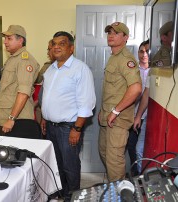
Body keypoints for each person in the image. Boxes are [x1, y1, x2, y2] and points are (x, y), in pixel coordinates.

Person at [41, 31, 96, 201]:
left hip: (68, 128)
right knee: (56, 164)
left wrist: (77, 129)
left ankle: (72, 197)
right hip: (50, 126)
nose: (56, 46)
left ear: (71, 48)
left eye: (62, 43)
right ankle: (62, 194)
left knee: (70, 166)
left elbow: (87, 103)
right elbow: (49, 97)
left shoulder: (80, 69)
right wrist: (44, 117)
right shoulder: (50, 69)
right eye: (54, 43)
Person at [98, 22, 142, 182]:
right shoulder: (113, 57)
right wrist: (103, 112)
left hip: (118, 119)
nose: (111, 35)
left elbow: (136, 89)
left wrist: (115, 111)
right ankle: (115, 185)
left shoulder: (126, 59)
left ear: (125, 37)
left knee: (114, 160)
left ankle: (118, 194)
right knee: (103, 152)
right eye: (109, 32)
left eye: (116, 33)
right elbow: (113, 91)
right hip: (107, 117)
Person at [0, 25, 40, 135]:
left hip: (17, 121)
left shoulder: (24, 60)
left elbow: (24, 93)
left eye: (9, 38)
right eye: (5, 38)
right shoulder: (13, 59)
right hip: (6, 118)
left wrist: (11, 118)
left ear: (20, 40)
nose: (5, 42)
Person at [126, 40, 150, 176]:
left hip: (149, 117)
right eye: (141, 51)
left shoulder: (156, 70)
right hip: (133, 115)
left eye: (147, 51)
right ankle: (134, 174)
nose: (144, 54)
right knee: (131, 147)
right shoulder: (133, 70)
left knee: (142, 148)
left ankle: (143, 175)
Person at [33, 39, 55, 123]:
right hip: (41, 107)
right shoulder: (47, 66)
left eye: (49, 50)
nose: (47, 53)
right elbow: (37, 80)